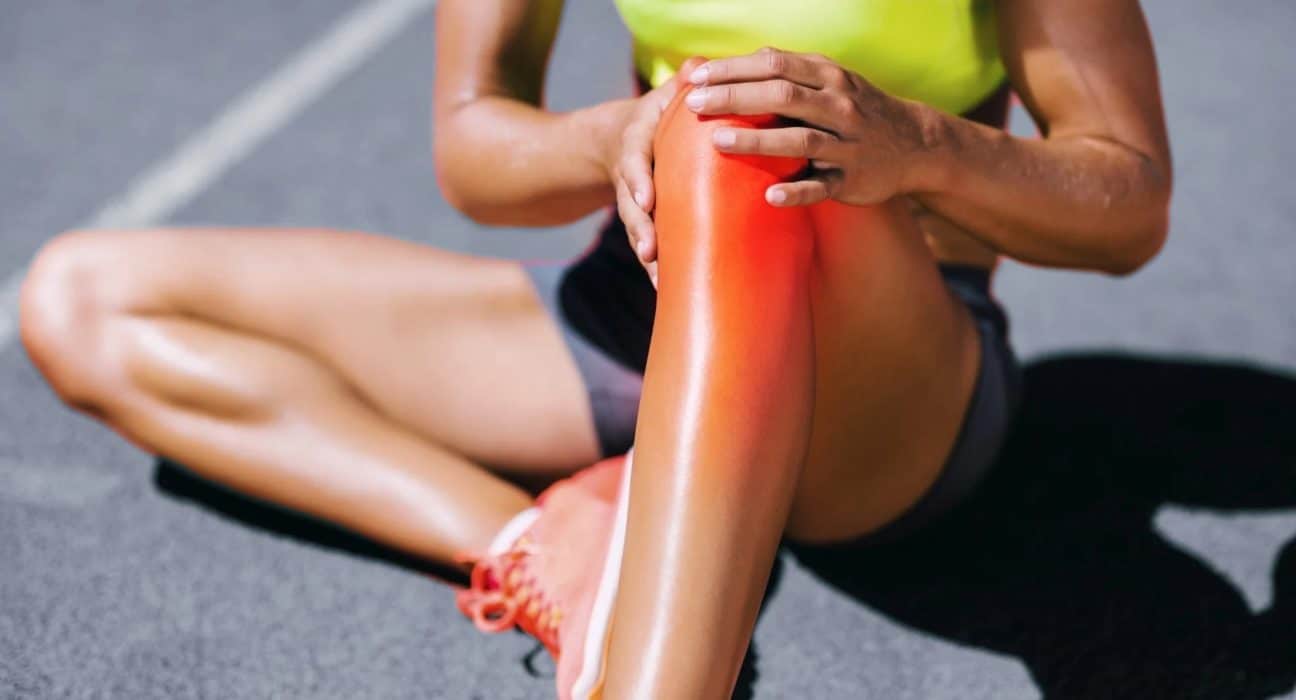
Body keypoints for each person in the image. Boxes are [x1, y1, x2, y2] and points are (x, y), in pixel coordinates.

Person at [18, 0, 1171, 697]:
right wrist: (624, 133)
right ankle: (541, 544)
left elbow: (1128, 201)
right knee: (83, 300)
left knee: (739, 132)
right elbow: (474, 147)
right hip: (638, 311)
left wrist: (916, 144)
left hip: (882, 387)